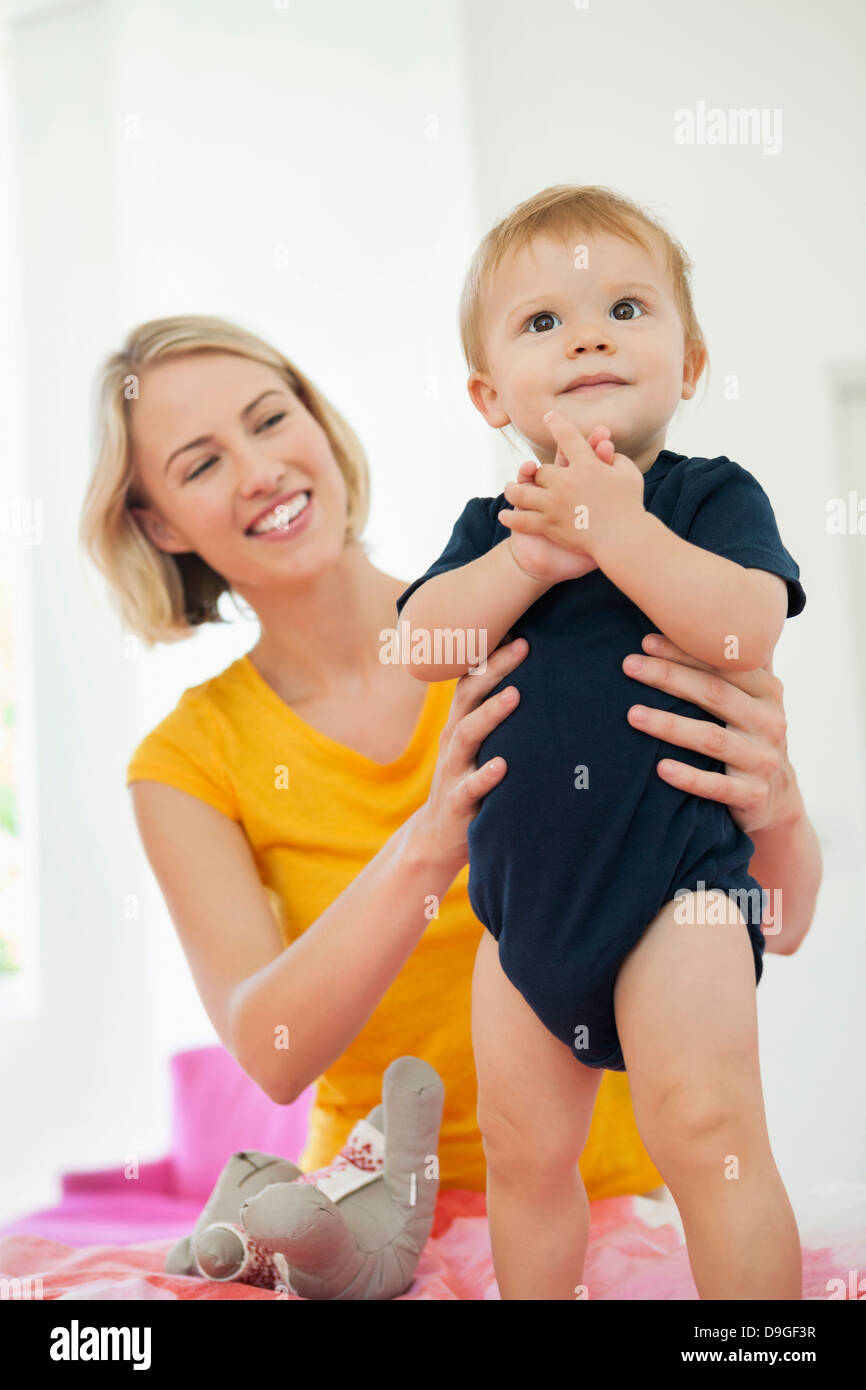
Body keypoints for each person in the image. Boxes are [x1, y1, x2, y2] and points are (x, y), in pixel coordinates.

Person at [79, 312, 821, 1223]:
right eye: (201, 465)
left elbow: (781, 926)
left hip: (607, 1210)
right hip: (375, 1221)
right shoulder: (187, 759)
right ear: (157, 523)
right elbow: (273, 1053)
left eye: (270, 419)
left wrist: (777, 807)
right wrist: (431, 842)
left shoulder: (549, 610)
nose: (259, 471)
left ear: (317, 423)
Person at [397, 184, 813, 1299]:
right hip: (521, 912)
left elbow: (745, 628)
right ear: (490, 395)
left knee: (708, 1131)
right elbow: (421, 644)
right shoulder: (495, 528)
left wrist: (617, 531)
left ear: (689, 364)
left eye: (626, 308)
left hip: (678, 892)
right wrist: (526, 560)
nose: (587, 336)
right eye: (543, 321)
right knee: (523, 1156)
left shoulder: (707, 498)